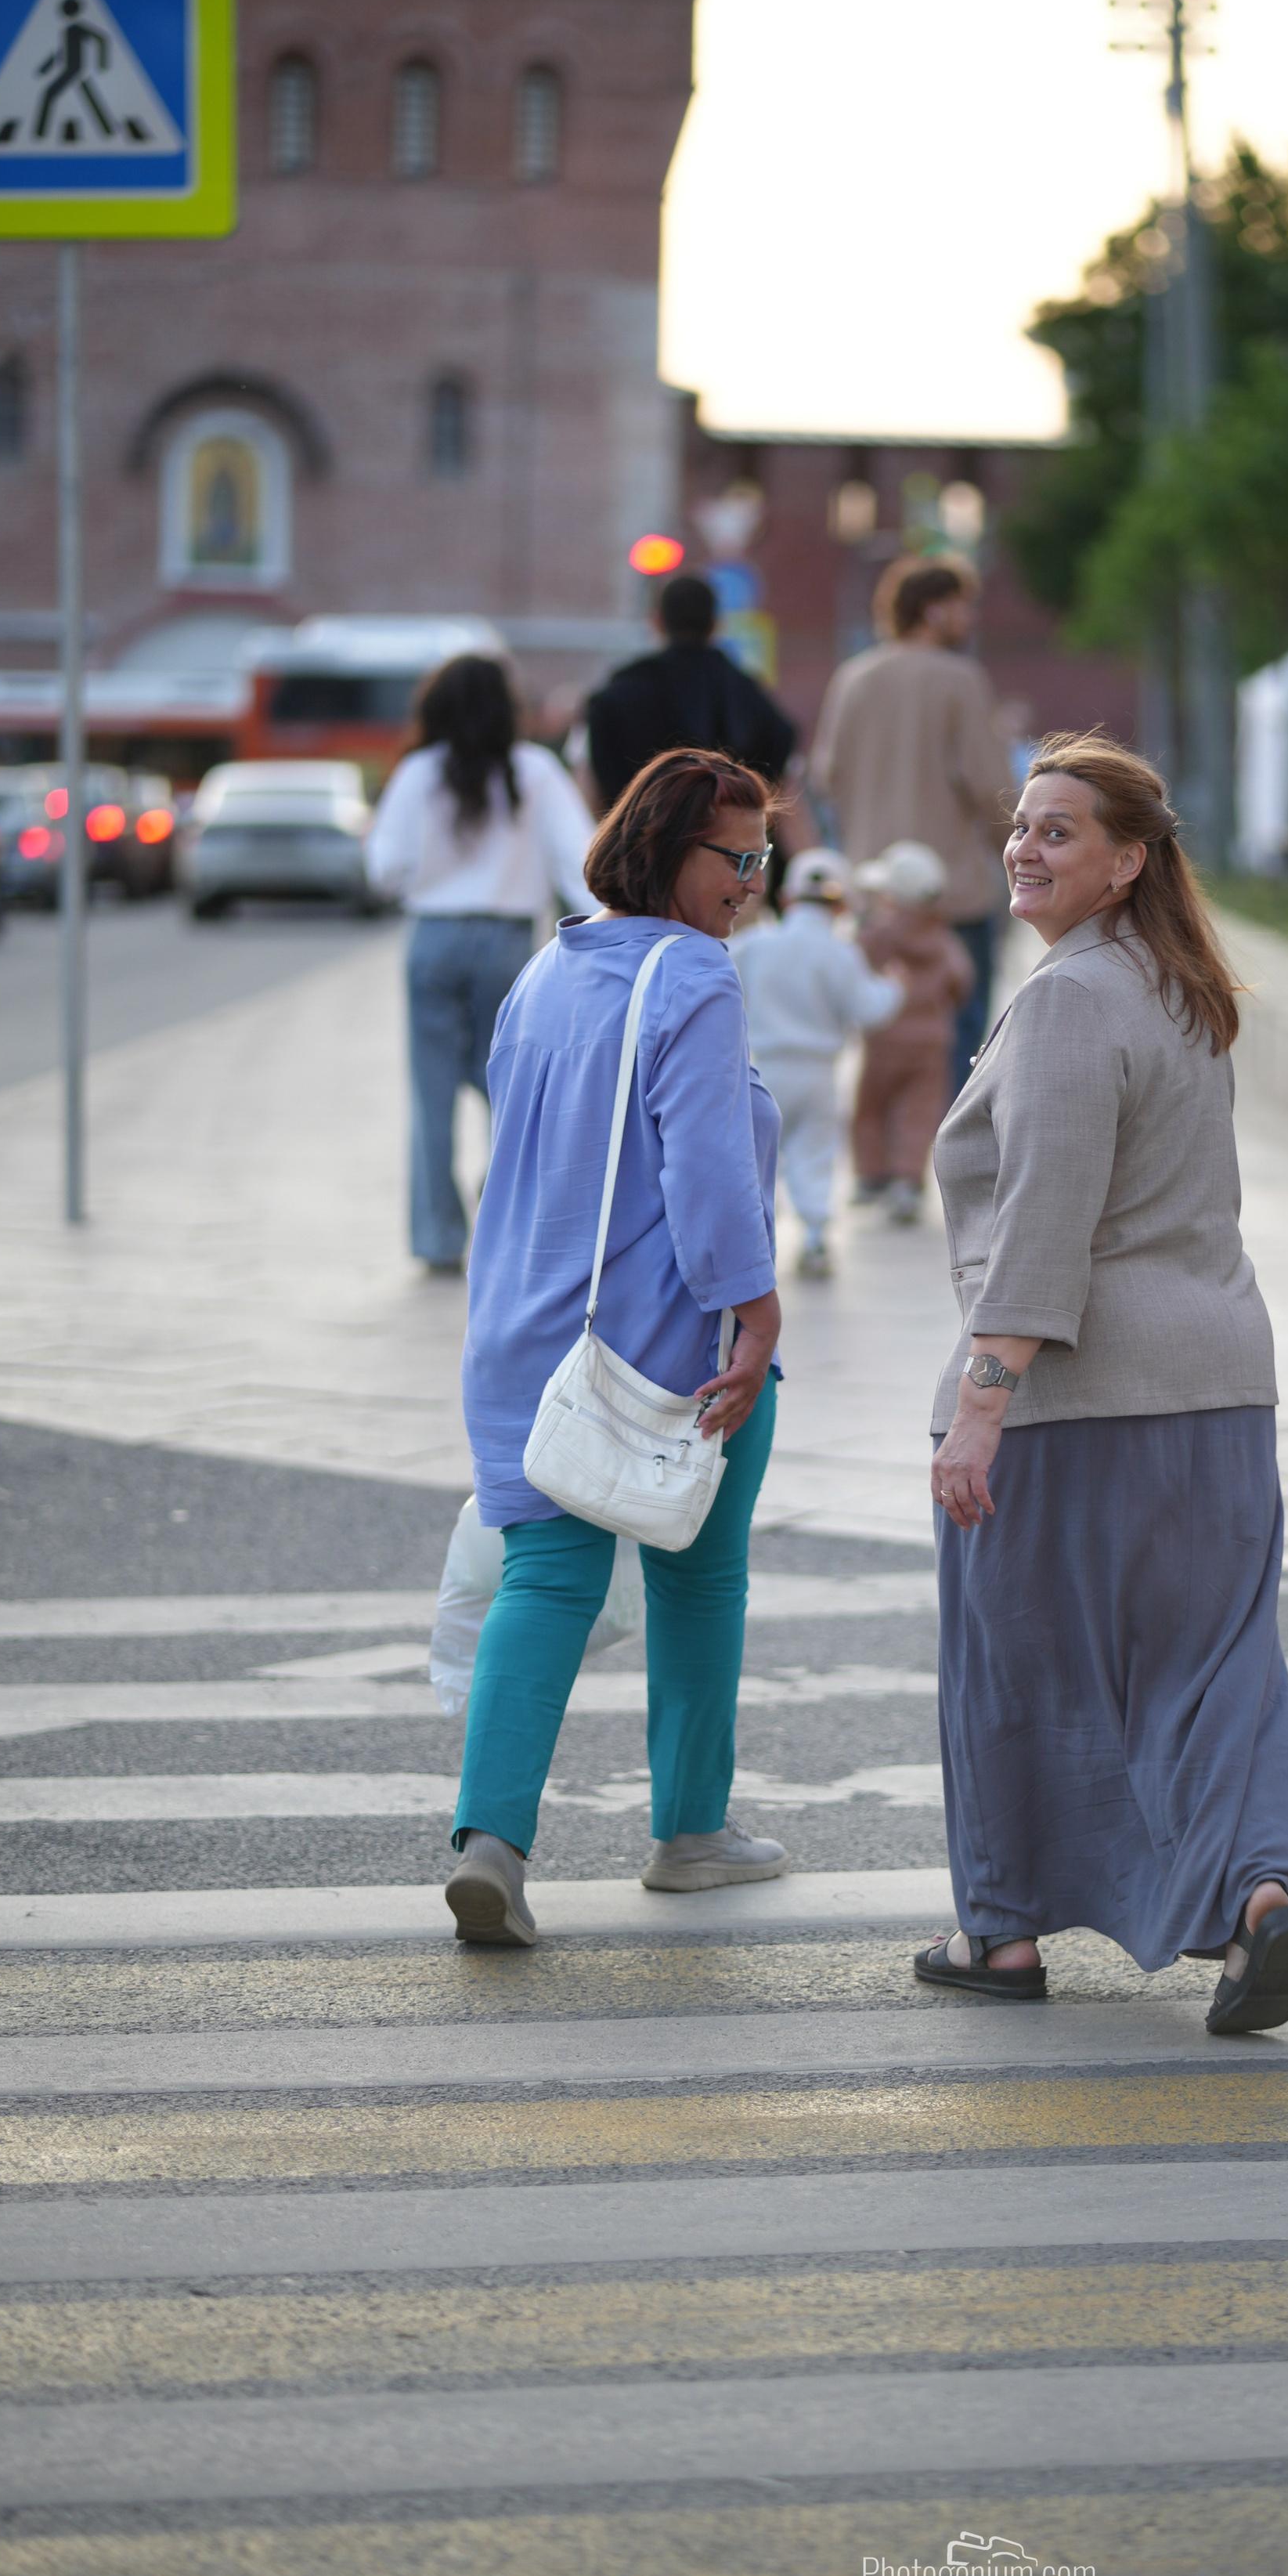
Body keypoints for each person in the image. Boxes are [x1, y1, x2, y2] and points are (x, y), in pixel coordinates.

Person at [918, 732, 1288, 2036]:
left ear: (1127, 861)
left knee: (1017, 1660)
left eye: (1059, 831)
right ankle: (1262, 1896)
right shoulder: (1181, 987)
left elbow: (1045, 1218)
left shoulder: (1068, 1001)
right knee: (1217, 1671)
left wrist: (982, 1401)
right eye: (1021, 826)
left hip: (1078, 1402)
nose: (1024, 849)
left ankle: (1004, 1926)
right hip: (1218, 1388)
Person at [446, 748, 788, 1946]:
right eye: (732, 858)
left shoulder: (547, 967)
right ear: (665, 850)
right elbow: (705, 1172)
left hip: (520, 1333)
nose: (750, 883)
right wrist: (757, 1311)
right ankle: (689, 1834)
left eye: (762, 858)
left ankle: (492, 1846)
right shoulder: (692, 974)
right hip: (663, 1345)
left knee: (544, 1582)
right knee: (701, 1577)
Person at [366, 652, 599, 1274]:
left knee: (432, 1093)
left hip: (433, 937)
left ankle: (438, 1237)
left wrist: (433, 872)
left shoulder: (419, 772)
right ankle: (506, 1213)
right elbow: (580, 864)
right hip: (505, 942)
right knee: (513, 1089)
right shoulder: (535, 770)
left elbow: (384, 868)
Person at [810, 555, 1015, 1087]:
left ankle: (885, 1156)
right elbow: (993, 788)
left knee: (881, 1035)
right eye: (962, 607)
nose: (969, 619)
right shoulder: (960, 679)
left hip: (875, 894)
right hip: (951, 895)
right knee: (960, 1041)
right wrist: (1021, 859)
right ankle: (946, 1159)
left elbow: (826, 777)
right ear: (933, 610)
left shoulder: (852, 678)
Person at [733, 847, 903, 1278]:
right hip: (819, 1072)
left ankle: (755, 1246)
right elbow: (868, 1009)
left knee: (756, 1160)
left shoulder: (756, 945)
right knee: (814, 1154)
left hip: (762, 1067)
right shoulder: (840, 953)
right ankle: (813, 1237)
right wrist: (894, 987)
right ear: (841, 904)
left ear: (786, 898)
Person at [585, 574, 798, 813]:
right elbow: (781, 776)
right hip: (729, 845)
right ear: (716, 625)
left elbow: (595, 791)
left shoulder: (618, 695)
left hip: (638, 844)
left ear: (657, 622)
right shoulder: (746, 694)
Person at [851, 840, 973, 1227]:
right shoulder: (944, 940)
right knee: (919, 1113)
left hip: (883, 1038)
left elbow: (854, 969)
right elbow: (961, 981)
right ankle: (906, 1180)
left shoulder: (878, 936)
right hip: (931, 1042)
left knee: (872, 1108)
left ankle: (871, 1174)